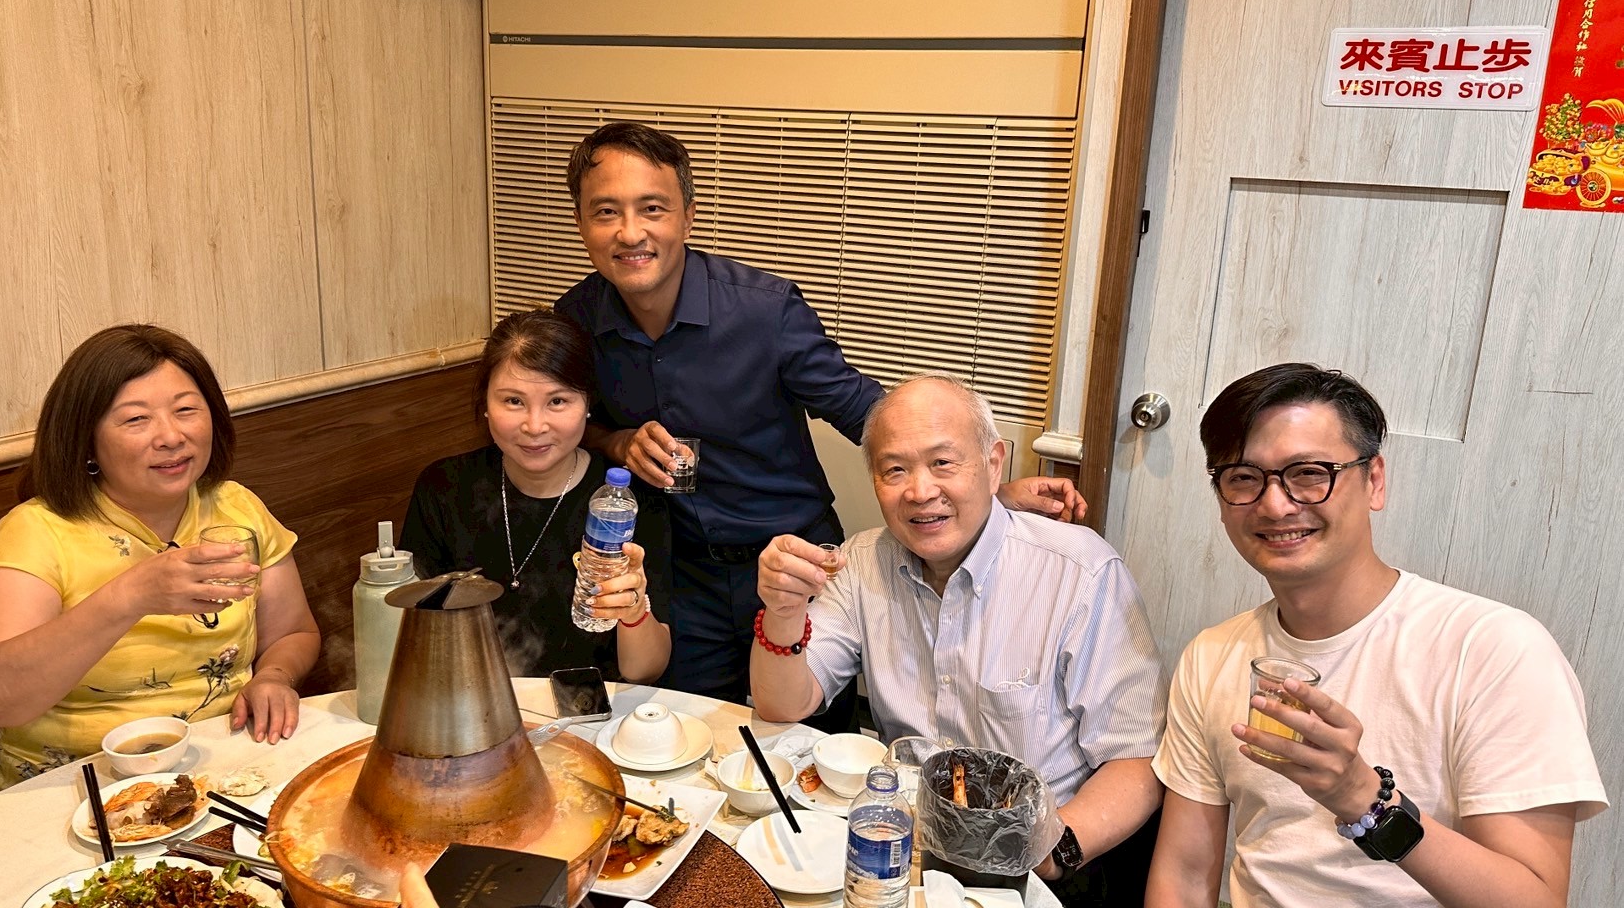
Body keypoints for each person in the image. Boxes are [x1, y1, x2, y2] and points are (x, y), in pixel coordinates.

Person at [554, 121, 1085, 704]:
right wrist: (617, 441)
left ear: (688, 215)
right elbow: (571, 425)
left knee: (807, 737)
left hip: (795, 565)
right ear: (580, 222)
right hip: (682, 576)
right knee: (692, 731)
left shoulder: (763, 312)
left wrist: (981, 489)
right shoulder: (575, 319)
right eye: (606, 212)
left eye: (652, 208)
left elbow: (865, 411)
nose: (630, 232)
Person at [1145, 363, 1609, 908]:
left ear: (1375, 481)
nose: (1275, 504)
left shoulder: (1494, 650)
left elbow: (1536, 900)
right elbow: (1182, 878)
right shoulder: (1212, 655)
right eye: (1244, 478)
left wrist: (1364, 800)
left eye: (1309, 472)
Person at [751, 373, 1163, 907]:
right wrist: (783, 611)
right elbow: (783, 705)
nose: (920, 491)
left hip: (1041, 864)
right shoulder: (860, 564)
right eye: (894, 469)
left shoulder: (1081, 573)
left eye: (943, 462)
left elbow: (1137, 759)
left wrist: (1049, 854)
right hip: (907, 850)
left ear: (993, 465)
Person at [0, 325, 320, 799]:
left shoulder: (236, 508)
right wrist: (131, 595)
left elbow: (293, 633)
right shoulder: (37, 530)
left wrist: (274, 676)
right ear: (86, 439)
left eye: (186, 410)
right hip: (73, 793)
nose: (171, 436)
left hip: (221, 774)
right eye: (136, 419)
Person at [400, 308, 672, 683]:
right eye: (513, 401)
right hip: (471, 699)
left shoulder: (627, 503)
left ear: (587, 404)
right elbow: (414, 635)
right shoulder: (443, 487)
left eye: (557, 401)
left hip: (594, 706)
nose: (534, 425)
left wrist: (633, 610)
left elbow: (645, 672)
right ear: (485, 404)